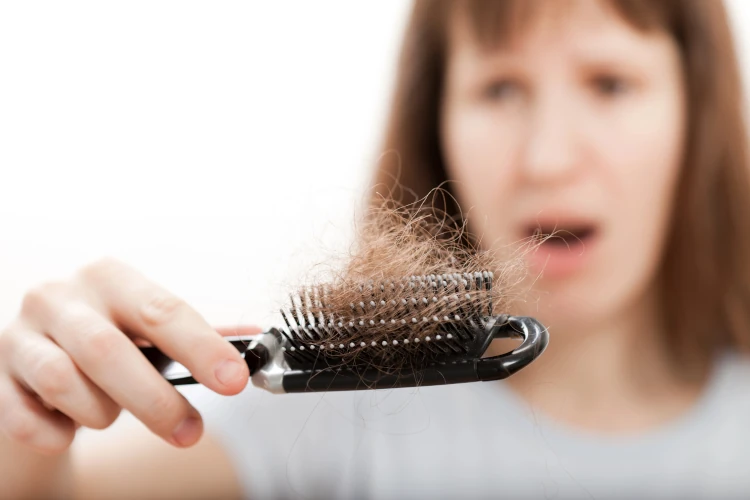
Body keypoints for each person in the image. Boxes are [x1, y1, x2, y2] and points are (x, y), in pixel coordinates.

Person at [2, 0, 750, 498]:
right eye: (498, 88)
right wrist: (26, 432)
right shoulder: (333, 415)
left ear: (697, 115)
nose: (549, 157)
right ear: (438, 127)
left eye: (611, 83)